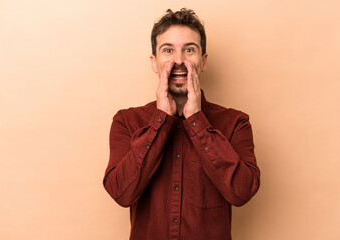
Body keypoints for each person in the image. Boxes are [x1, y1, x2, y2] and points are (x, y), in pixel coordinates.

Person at [103, 8, 260, 240]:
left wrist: (196, 120)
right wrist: (161, 121)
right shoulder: (126, 122)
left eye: (189, 50)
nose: (178, 60)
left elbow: (241, 192)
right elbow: (121, 193)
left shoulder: (236, 123)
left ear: (203, 61)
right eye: (168, 50)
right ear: (154, 62)